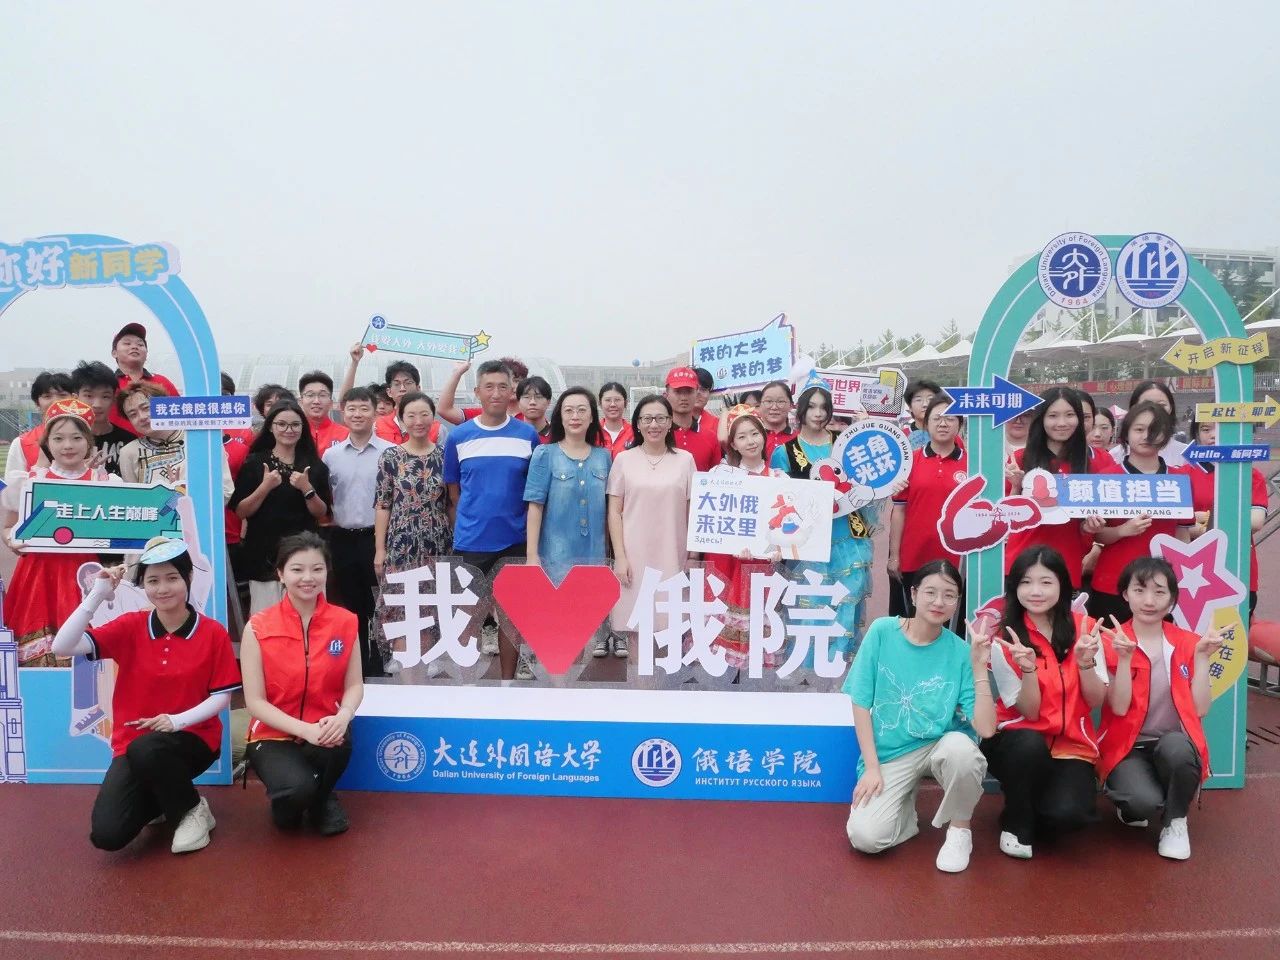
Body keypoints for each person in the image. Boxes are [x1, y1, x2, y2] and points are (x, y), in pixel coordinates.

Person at [51, 538, 241, 853]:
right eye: (153, 581)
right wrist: (98, 593)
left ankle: (192, 809)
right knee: (108, 834)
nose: (162, 588)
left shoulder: (212, 633)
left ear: (188, 578)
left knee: (149, 748)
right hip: (131, 745)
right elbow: (62, 646)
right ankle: (167, 796)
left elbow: (221, 698)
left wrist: (176, 721)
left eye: (172, 578)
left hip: (193, 740)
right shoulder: (130, 626)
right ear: (143, 585)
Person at [844, 560, 996, 873]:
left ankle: (960, 830)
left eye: (949, 595)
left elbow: (986, 728)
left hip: (938, 744)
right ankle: (904, 812)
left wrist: (980, 666)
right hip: (891, 754)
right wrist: (872, 767)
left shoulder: (960, 651)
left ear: (957, 602)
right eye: (930, 592)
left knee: (962, 751)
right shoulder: (882, 632)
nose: (939, 602)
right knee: (866, 838)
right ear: (913, 594)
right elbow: (860, 703)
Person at [982, 546, 1107, 859]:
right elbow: (1030, 711)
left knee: (1068, 817)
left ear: (1062, 584)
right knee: (1029, 746)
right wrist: (1028, 670)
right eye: (1026, 582)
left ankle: (1035, 802)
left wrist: (1085, 664)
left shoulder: (1087, 629)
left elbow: (1095, 699)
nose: (1035, 591)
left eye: (1046, 582)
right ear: (1015, 588)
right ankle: (1016, 819)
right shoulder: (1006, 639)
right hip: (1017, 741)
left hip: (1071, 745)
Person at [1098, 557, 1220, 860]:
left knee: (1177, 747)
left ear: (1172, 599)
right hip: (1128, 748)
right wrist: (1124, 660)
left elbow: (1201, 708)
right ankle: (1133, 800)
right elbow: (1119, 707)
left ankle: (1176, 821)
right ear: (1125, 594)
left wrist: (1202, 658)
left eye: (1159, 592)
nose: (1149, 601)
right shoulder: (1110, 642)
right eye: (1139, 590)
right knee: (1140, 804)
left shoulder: (1190, 643)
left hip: (1172, 742)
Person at [242, 533, 362, 836]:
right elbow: (254, 702)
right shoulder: (258, 626)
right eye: (297, 569)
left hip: (324, 725)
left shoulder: (345, 622)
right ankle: (301, 795)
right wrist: (304, 730)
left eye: (317, 569)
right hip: (273, 733)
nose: (308, 578)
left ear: (326, 572)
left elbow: (354, 685)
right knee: (293, 801)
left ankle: (322, 799)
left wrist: (344, 715)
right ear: (281, 574)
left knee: (339, 742)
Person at [2, 398, 122, 665]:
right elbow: (9, 527)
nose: (68, 445)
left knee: (87, 655)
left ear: (88, 441)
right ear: (47, 442)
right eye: (58, 438)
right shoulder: (31, 482)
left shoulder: (104, 482)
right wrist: (13, 540)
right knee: (36, 661)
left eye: (76, 438)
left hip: (85, 573)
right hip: (37, 574)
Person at [443, 360, 540, 681]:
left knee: (512, 619)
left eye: (502, 387)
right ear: (477, 392)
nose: (496, 393)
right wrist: (467, 526)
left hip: (515, 541)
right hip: (472, 543)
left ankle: (507, 685)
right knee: (468, 617)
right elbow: (454, 494)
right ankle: (468, 686)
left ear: (512, 391)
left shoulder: (527, 435)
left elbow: (534, 491)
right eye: (489, 387)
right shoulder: (459, 437)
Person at [771, 384, 878, 659]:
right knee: (811, 603)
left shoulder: (844, 443)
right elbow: (780, 499)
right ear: (801, 410)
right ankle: (808, 667)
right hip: (809, 542)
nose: (818, 413)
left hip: (847, 537)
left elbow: (869, 482)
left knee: (846, 600)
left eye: (823, 407)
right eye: (812, 407)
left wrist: (863, 431)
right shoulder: (784, 452)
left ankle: (840, 664)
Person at [525, 388, 613, 654]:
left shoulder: (604, 457)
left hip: (594, 557)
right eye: (569, 410)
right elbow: (535, 506)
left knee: (585, 629)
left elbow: (611, 509)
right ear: (560, 417)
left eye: (582, 410)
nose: (575, 416)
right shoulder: (545, 454)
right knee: (559, 633)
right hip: (556, 557)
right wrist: (532, 556)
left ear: (592, 417)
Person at [1087, 402, 1191, 625]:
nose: (1146, 436)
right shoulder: (1107, 478)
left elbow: (1182, 535)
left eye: (1154, 430)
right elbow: (1097, 534)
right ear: (1126, 434)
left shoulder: (1178, 480)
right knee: (1108, 644)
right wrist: (1122, 530)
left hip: (1162, 586)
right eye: (1139, 429)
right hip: (1112, 582)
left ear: (1166, 435)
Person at [608, 396, 696, 661]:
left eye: (660, 418)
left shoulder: (685, 460)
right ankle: (640, 684)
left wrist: (693, 556)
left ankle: (664, 685)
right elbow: (614, 512)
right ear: (637, 423)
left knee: (670, 624)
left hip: (673, 553)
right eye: (647, 418)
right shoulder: (623, 460)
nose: (653, 425)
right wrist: (620, 557)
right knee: (637, 627)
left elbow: (693, 511)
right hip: (634, 556)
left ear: (670, 423)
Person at [373, 392, 453, 673]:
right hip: (401, 539)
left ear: (433, 417)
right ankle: (401, 655)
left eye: (424, 414)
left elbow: (451, 502)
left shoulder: (445, 456)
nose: (418, 421)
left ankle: (430, 655)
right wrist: (380, 549)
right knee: (400, 596)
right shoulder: (391, 456)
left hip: (437, 538)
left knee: (431, 597)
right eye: (411, 415)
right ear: (402, 419)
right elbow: (383, 504)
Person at [229, 401, 333, 615]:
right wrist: (265, 487)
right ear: (270, 426)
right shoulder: (255, 463)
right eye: (282, 424)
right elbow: (241, 511)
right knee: (266, 618)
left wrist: (307, 489)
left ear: (302, 428)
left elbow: (321, 512)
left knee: (308, 618)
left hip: (304, 554)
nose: (289, 430)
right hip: (263, 555)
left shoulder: (314, 465)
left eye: (295, 425)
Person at [702, 413, 783, 671]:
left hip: (762, 564)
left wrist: (780, 548)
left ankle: (753, 681)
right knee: (726, 618)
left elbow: (787, 525)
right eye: (742, 436)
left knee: (757, 618)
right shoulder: (721, 475)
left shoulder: (779, 478)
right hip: (727, 562)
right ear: (733, 444)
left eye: (755, 433)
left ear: (764, 436)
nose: (750, 441)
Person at [322, 387, 393, 678]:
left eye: (364, 408)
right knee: (351, 606)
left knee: (380, 604)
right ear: (343, 412)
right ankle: (357, 667)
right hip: (342, 539)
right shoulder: (331, 455)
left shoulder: (390, 452)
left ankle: (381, 667)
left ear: (375, 412)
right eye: (352, 408)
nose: (358, 414)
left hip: (377, 538)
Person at [1003, 387, 1103, 592]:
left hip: (1065, 565)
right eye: (1053, 416)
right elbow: (1005, 520)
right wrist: (1016, 486)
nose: (1062, 423)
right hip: (1022, 562)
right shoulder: (1020, 460)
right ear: (1041, 419)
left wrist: (1090, 528)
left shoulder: (1091, 466)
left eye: (1069, 415)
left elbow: (1086, 529)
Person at [888, 396, 967, 620]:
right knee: (914, 621)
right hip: (915, 557)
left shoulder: (972, 463)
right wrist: (894, 556)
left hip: (957, 560)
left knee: (952, 621)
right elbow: (899, 511)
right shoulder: (910, 461)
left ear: (960, 424)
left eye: (950, 418)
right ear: (926, 423)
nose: (943, 423)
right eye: (937, 418)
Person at [1186, 419, 1268, 618]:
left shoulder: (1250, 475)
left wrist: (1201, 522)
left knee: (1235, 629)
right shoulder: (1184, 473)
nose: (1213, 435)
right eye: (1206, 429)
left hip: (1238, 567)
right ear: (1196, 434)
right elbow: (1173, 523)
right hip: (1192, 571)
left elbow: (1255, 522)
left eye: (1221, 428)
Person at [117, 381, 234, 502]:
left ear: (164, 406)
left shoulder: (204, 441)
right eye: (133, 414)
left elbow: (225, 491)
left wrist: (184, 495)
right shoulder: (128, 453)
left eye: (146, 408)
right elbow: (132, 502)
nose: (142, 417)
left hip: (200, 513)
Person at [108, 323, 179, 436]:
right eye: (127, 343)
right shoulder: (107, 384)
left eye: (140, 344)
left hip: (160, 445)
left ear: (146, 353)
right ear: (114, 353)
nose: (134, 347)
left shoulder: (162, 382)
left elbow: (179, 417)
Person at [71, 360, 135, 477]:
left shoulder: (129, 441)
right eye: (89, 395)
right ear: (75, 399)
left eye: (105, 396)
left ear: (113, 400)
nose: (97, 404)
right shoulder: (64, 440)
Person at [4, 370, 73, 476]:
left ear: (75, 399)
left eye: (62, 395)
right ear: (37, 403)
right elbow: (12, 484)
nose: (56, 402)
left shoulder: (89, 437)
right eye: (47, 396)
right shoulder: (21, 443)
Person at [1111, 380, 1187, 467]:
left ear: (1171, 408)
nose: (1154, 410)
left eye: (1161, 405)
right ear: (1133, 408)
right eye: (1146, 404)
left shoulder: (1186, 455)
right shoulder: (1114, 456)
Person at [438, 357, 527, 425]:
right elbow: (444, 410)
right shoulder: (480, 415)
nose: (513, 386)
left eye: (517, 381)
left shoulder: (531, 414)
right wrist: (457, 373)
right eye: (507, 381)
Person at [664, 367, 722, 471]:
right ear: (666, 394)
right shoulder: (656, 434)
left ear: (696, 393)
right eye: (678, 391)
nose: (683, 397)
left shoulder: (711, 437)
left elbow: (715, 476)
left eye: (689, 391)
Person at [297, 371, 349, 455]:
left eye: (322, 395)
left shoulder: (346, 435)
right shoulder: (292, 433)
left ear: (331, 403)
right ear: (300, 402)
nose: (316, 401)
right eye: (310, 395)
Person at [596, 382, 634, 458]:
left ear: (625, 403)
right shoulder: (592, 432)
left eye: (617, 400)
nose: (612, 404)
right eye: (608, 400)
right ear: (600, 403)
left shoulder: (635, 433)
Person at [903, 378, 942, 450]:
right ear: (910, 407)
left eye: (930, 399)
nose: (925, 404)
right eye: (918, 400)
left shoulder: (949, 435)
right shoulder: (901, 437)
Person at [516, 375, 553, 441]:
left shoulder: (557, 437)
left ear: (548, 402)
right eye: (527, 397)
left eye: (538, 397)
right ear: (518, 402)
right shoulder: (509, 435)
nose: (532, 402)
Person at [692, 367, 720, 439]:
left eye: (703, 389)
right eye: (694, 388)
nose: (698, 393)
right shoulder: (671, 420)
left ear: (709, 394)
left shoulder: (716, 424)